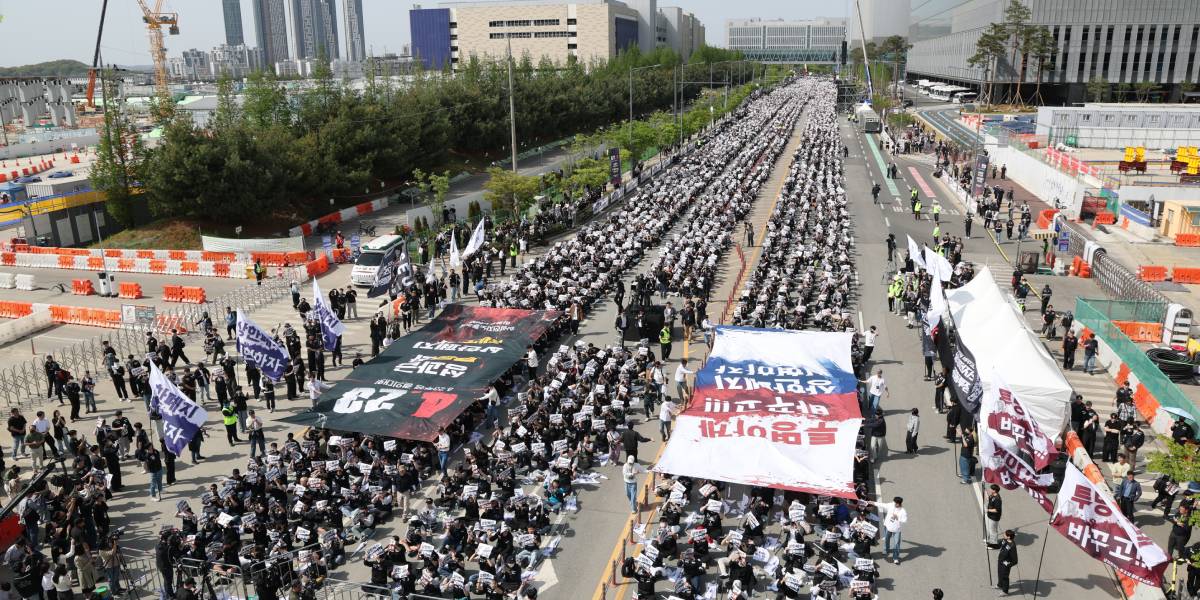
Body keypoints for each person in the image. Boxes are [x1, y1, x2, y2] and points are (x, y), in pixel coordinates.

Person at [875, 496, 907, 565]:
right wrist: (873, 503)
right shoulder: (891, 505)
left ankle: (895, 558)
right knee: (886, 539)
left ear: (899, 504)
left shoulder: (902, 511)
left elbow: (904, 520)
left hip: (897, 530)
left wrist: (898, 518)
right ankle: (886, 550)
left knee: (896, 544)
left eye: (895, 503)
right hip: (888, 527)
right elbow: (883, 505)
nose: (894, 503)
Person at [997, 529, 1018, 594]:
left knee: (1005, 577)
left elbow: (1015, 560)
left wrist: (1008, 564)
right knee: (1000, 574)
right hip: (1000, 561)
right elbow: (998, 545)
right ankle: (1000, 585)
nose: (1003, 534)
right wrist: (989, 545)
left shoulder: (1012, 546)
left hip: (1005, 564)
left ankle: (1005, 591)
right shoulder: (1004, 540)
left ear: (1008, 537)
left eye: (1005, 534)